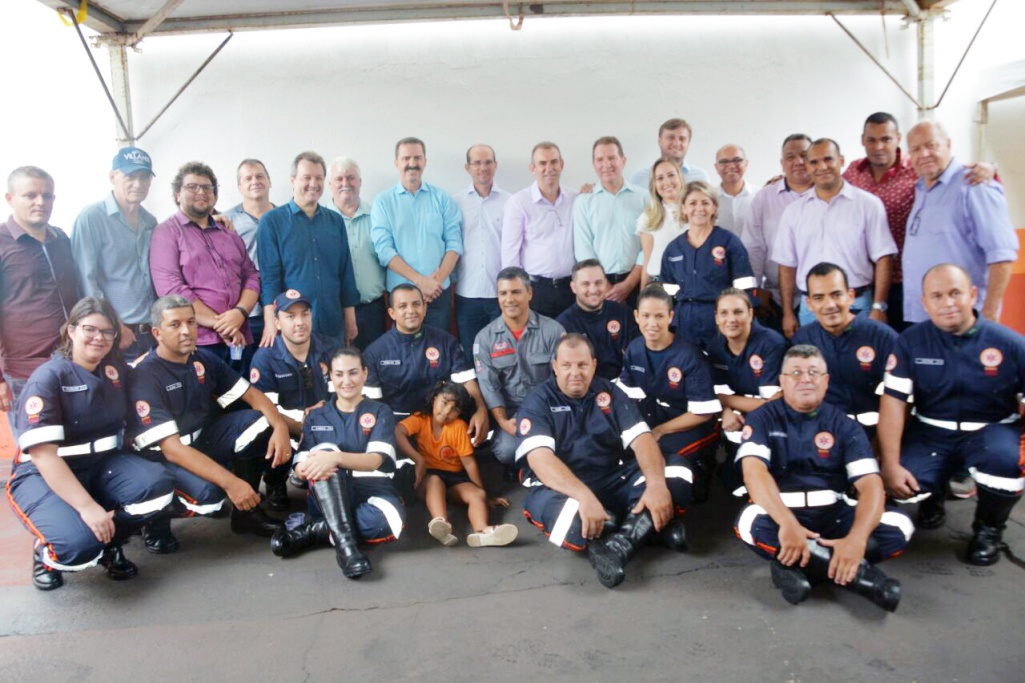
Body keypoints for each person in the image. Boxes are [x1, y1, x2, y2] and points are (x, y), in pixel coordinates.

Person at [7, 297, 174, 591]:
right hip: (45, 474)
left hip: (99, 466)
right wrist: (86, 507)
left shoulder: (114, 371)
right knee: (77, 548)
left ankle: (111, 543)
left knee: (157, 487)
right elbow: (44, 456)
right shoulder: (48, 377)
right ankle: (45, 555)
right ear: (70, 330)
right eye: (90, 329)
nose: (99, 338)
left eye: (107, 332)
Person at [734, 345, 912, 610]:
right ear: (782, 381)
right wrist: (788, 523)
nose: (805, 378)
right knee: (748, 522)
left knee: (900, 525)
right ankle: (865, 581)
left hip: (835, 513)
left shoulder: (845, 424)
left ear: (826, 381)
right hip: (780, 511)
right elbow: (754, 471)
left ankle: (797, 568)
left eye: (814, 372)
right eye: (795, 372)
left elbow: (871, 485)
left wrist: (857, 539)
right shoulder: (763, 418)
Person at [517, 334, 693, 588]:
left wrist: (655, 485)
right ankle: (646, 528)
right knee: (569, 522)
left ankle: (619, 545)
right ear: (554, 365)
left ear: (594, 365)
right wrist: (583, 496)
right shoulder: (538, 401)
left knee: (678, 472)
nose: (575, 372)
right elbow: (540, 461)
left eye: (582, 365)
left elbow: (642, 439)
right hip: (563, 487)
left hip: (614, 477)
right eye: (567, 365)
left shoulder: (610, 392)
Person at [880, 264, 1025, 566]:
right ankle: (932, 498)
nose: (947, 303)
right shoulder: (910, 342)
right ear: (924, 303)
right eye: (937, 296)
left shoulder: (1011, 344)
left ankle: (988, 530)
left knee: (1005, 468)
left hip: (992, 431)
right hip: (932, 430)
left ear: (972, 295)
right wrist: (890, 463)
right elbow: (893, 403)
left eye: (955, 293)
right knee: (903, 482)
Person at [127, 295, 292, 551]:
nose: (186, 331)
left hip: (199, 441)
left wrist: (281, 428)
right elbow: (171, 449)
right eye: (175, 325)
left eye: (191, 322)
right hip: (161, 458)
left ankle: (247, 516)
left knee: (261, 423)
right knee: (210, 498)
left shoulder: (202, 358)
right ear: (157, 333)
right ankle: (154, 522)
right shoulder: (145, 375)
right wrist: (232, 483)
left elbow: (253, 396)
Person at [843, 113, 997, 331]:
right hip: (869, 282)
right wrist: (781, 181)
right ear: (862, 141)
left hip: (910, 281)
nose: (878, 146)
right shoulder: (853, 173)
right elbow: (823, 180)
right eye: (871, 140)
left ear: (897, 138)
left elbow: (953, 175)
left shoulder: (917, 170)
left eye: (886, 139)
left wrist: (989, 167)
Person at [269, 347, 405, 579]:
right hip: (325, 492)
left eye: (353, 373)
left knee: (389, 522)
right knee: (323, 451)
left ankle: (314, 531)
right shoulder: (316, 416)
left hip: (374, 490)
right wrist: (322, 460)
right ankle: (347, 550)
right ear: (330, 376)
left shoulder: (380, 411)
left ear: (364, 374)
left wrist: (336, 458)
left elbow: (374, 461)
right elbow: (300, 469)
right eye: (339, 374)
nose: (346, 381)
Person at [774, 138, 897, 337]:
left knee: (861, 365)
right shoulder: (793, 212)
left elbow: (883, 257)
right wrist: (788, 312)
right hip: (811, 309)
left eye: (828, 159)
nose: (822, 167)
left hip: (857, 304)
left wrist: (879, 306)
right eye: (814, 162)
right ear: (807, 166)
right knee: (813, 366)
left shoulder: (868, 204)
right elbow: (786, 265)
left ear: (841, 160)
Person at [902, 121, 1018, 326]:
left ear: (948, 144)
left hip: (963, 319)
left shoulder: (974, 185)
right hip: (923, 318)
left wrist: (989, 314)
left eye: (931, 145)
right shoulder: (921, 189)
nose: (924, 154)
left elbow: (1002, 255)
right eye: (916, 149)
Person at [150, 161, 260, 371]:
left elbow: (251, 275)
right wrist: (222, 324)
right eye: (192, 187)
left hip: (240, 338)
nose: (200, 192)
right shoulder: (166, 233)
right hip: (199, 343)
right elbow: (171, 289)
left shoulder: (228, 231)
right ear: (177, 195)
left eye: (207, 187)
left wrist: (239, 313)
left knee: (237, 399)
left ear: (215, 195)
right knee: (207, 402)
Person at [618, 285, 722, 502]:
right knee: (625, 447)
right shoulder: (635, 349)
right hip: (656, 415)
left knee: (658, 454)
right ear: (636, 316)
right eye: (646, 316)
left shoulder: (689, 356)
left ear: (670, 317)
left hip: (693, 423)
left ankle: (697, 471)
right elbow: (625, 397)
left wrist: (659, 431)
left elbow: (702, 414)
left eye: (659, 316)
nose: (652, 323)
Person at [396, 380, 517, 547]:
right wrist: (418, 459)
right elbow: (398, 431)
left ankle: (482, 532)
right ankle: (441, 524)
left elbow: (469, 464)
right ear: (434, 398)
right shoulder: (420, 419)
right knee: (434, 482)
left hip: (455, 480)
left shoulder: (458, 427)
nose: (447, 411)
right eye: (444, 402)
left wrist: (484, 494)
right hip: (428, 477)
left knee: (477, 495)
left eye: (455, 409)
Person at [257, 151, 359, 346]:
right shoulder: (272, 221)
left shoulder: (335, 221)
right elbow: (269, 279)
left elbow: (346, 273)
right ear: (293, 181)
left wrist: (350, 318)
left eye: (319, 178)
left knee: (333, 375)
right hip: (293, 327)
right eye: (307, 178)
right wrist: (270, 322)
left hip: (332, 323)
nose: (313, 184)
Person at [1, 166, 78, 421]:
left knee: (71, 445)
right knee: (36, 451)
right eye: (30, 195)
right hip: (24, 371)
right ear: (10, 199)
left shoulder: (61, 239)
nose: (40, 202)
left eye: (47, 196)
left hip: (70, 362)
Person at [248, 290, 336, 510]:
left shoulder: (331, 348)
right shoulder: (265, 358)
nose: (300, 322)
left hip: (328, 426)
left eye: (305, 314)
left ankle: (313, 476)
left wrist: (326, 413)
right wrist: (303, 421)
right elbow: (265, 411)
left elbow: (345, 395)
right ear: (277, 323)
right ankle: (275, 482)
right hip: (289, 427)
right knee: (264, 430)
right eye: (290, 316)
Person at [363, 284, 488, 437]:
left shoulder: (446, 342)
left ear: (424, 308)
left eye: (416, 304)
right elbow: (372, 404)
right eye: (403, 306)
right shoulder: (374, 352)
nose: (411, 311)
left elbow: (467, 382)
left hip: (442, 423)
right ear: (392, 313)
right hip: (398, 427)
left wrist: (481, 410)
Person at [72, 147, 160, 359]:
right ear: (113, 177)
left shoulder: (150, 221)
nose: (138, 184)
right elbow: (86, 280)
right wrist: (114, 326)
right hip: (114, 333)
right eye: (130, 176)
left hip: (150, 331)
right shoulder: (92, 217)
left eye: (144, 177)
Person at [791, 262, 896, 437]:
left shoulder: (882, 337)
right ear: (808, 303)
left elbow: (901, 401)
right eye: (819, 298)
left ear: (851, 295)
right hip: (822, 435)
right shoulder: (801, 341)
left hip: (876, 435)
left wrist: (882, 446)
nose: (830, 304)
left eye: (836, 294)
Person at [473, 267, 566, 465]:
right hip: (512, 412)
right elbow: (488, 386)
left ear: (529, 293)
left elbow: (563, 379)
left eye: (516, 292)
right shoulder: (484, 338)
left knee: (564, 443)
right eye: (503, 293)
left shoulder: (553, 331)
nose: (509, 299)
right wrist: (503, 422)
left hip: (549, 407)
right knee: (507, 450)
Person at [371, 137, 463, 332]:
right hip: (401, 299)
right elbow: (384, 250)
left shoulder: (442, 198)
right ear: (396, 163)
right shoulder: (383, 202)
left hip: (438, 294)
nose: (412, 163)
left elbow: (454, 244)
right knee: (405, 355)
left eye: (417, 158)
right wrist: (420, 282)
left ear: (425, 162)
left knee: (439, 353)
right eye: (406, 158)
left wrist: (434, 284)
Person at [659, 181, 757, 350]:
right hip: (684, 326)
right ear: (683, 208)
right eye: (692, 203)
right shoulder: (673, 249)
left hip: (721, 324)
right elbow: (667, 295)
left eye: (705, 203)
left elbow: (746, 289)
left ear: (714, 207)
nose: (699, 208)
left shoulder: (729, 242)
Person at [706, 287, 786, 485]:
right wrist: (726, 411)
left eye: (738, 312)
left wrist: (725, 401)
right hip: (737, 415)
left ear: (751, 314)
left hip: (775, 419)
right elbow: (716, 391)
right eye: (724, 313)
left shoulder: (772, 343)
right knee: (730, 481)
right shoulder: (715, 346)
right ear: (716, 317)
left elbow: (773, 404)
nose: (731, 319)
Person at [743, 134, 814, 331]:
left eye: (804, 155)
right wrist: (754, 292)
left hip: (819, 299)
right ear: (782, 163)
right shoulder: (764, 198)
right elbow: (753, 247)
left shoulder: (827, 195)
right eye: (790, 157)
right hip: (774, 298)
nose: (798, 162)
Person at [500, 142, 578, 320]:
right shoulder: (519, 202)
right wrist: (517, 292)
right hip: (536, 291)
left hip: (571, 289)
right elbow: (510, 253)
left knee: (570, 344)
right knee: (538, 346)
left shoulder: (575, 199)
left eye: (553, 162)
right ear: (532, 168)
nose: (548, 168)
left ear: (562, 164)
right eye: (542, 163)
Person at [452, 144, 509, 363]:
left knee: (502, 356)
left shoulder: (510, 201)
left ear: (495, 165)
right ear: (468, 167)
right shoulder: (455, 203)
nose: (483, 167)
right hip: (467, 295)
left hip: (501, 296)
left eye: (487, 162)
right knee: (471, 355)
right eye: (477, 162)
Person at [572, 136, 646, 305]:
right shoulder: (584, 201)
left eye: (612, 158)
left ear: (623, 160)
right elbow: (584, 249)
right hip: (597, 287)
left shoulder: (644, 198)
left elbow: (647, 246)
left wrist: (628, 284)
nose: (607, 165)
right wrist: (604, 286)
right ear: (594, 164)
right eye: (600, 159)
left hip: (636, 281)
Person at [324, 156, 386, 350]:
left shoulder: (377, 215)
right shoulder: (321, 220)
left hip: (373, 309)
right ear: (330, 184)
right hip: (335, 311)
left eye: (350, 178)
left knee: (373, 370)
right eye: (339, 179)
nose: (345, 184)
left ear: (360, 181)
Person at [557, 259, 637, 380]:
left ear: (605, 283)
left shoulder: (624, 313)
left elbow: (637, 356)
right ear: (573, 287)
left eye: (598, 283)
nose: (593, 290)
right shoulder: (563, 324)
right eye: (586, 284)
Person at [223, 158, 275, 347]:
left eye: (260, 176)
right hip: (245, 313)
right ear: (239, 187)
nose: (255, 181)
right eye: (248, 178)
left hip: (280, 310)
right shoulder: (225, 221)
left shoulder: (283, 217)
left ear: (270, 181)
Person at [637, 158, 687, 291]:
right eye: (660, 178)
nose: (667, 182)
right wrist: (642, 296)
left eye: (671, 175)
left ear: (680, 178)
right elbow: (647, 260)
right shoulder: (648, 218)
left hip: (691, 283)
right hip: (659, 285)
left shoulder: (694, 211)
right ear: (654, 185)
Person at [629, 117, 709, 188]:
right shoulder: (639, 178)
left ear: (688, 143)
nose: (676, 143)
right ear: (660, 141)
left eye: (682, 139)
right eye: (671, 137)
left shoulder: (700, 178)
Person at [713, 144, 754, 238]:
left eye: (737, 160)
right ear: (716, 167)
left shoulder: (759, 196)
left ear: (746, 164)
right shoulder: (709, 199)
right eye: (724, 161)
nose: (731, 166)